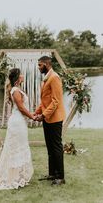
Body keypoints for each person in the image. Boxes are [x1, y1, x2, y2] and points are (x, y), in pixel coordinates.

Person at [34, 56, 66, 186]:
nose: (39, 67)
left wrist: (43, 115)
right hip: (47, 118)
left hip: (55, 118)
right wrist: (37, 112)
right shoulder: (46, 78)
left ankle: (60, 177)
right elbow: (45, 101)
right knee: (50, 147)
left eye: (40, 65)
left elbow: (55, 101)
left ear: (47, 64)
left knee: (56, 148)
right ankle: (52, 173)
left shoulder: (54, 78)